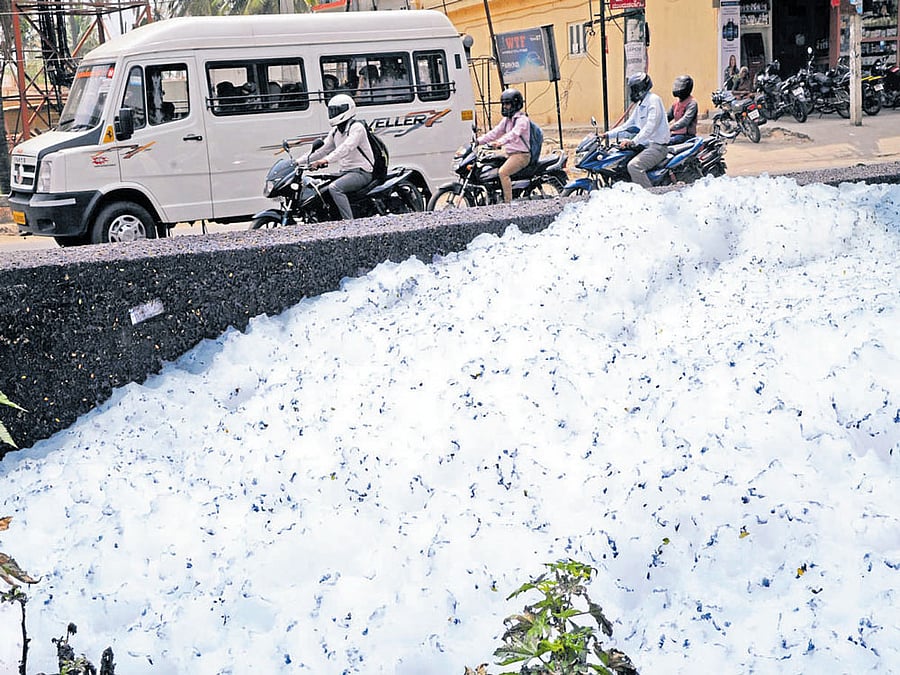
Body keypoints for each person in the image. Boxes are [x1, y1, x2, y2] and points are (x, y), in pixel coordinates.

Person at [307, 94, 375, 220]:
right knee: (319, 188)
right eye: (332, 111)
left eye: (337, 111)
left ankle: (349, 223)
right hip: (345, 172)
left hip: (362, 172)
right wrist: (297, 162)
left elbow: (346, 148)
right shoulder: (335, 131)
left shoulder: (357, 128)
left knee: (335, 188)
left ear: (347, 109)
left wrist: (325, 160)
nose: (333, 114)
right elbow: (322, 150)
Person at [603, 72, 670, 189]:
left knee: (634, 166)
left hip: (657, 147)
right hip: (644, 146)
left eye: (635, 88)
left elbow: (650, 127)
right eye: (632, 89)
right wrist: (606, 135)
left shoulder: (653, 100)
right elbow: (627, 126)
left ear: (643, 87)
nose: (633, 92)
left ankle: (648, 196)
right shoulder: (640, 105)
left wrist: (633, 141)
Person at [475, 88, 533, 203]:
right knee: (489, 163)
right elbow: (495, 132)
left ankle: (508, 203)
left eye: (508, 104)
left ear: (516, 104)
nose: (505, 107)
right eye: (504, 104)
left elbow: (513, 134)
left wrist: (499, 143)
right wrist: (478, 141)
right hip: (509, 154)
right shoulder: (507, 120)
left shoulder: (522, 120)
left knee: (503, 172)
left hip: (521, 155)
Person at [667, 74, 698, 144]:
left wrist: (670, 127)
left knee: (665, 143)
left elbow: (685, 120)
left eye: (680, 86)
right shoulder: (676, 103)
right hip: (675, 134)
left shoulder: (692, 103)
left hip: (686, 136)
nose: (678, 89)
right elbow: (667, 116)